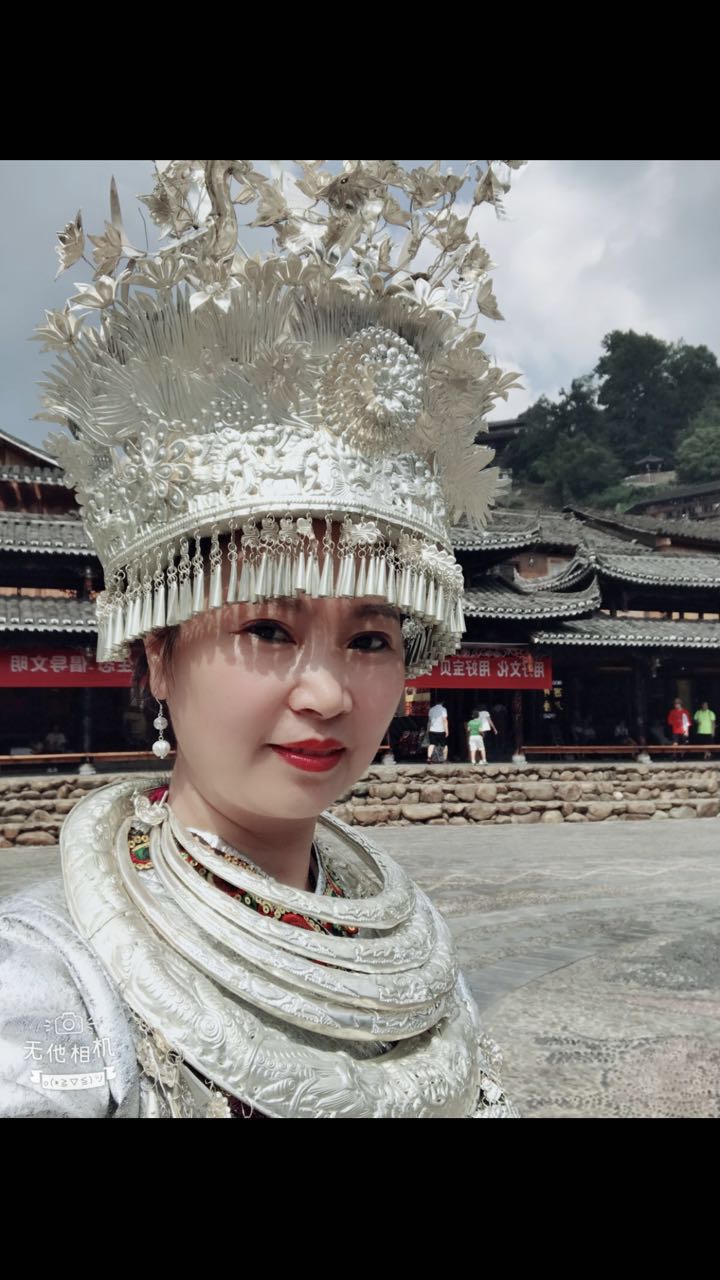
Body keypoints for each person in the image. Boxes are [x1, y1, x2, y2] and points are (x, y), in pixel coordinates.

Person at [0, 158, 521, 1119]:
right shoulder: (49, 982)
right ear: (157, 655)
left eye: (371, 639)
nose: (327, 693)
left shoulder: (411, 958)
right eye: (269, 628)